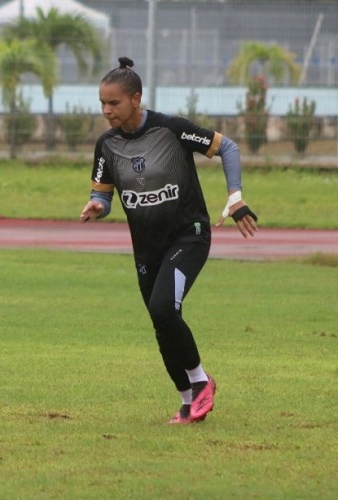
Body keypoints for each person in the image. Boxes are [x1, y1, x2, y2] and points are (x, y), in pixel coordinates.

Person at [80, 57, 258, 424]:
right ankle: (187, 402)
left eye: (114, 102)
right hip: (147, 247)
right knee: (162, 321)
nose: (107, 110)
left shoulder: (171, 129)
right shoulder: (107, 145)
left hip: (189, 235)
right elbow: (103, 194)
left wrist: (235, 197)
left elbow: (228, 148)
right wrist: (98, 206)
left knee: (163, 308)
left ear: (136, 99)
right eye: (102, 103)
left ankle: (201, 381)